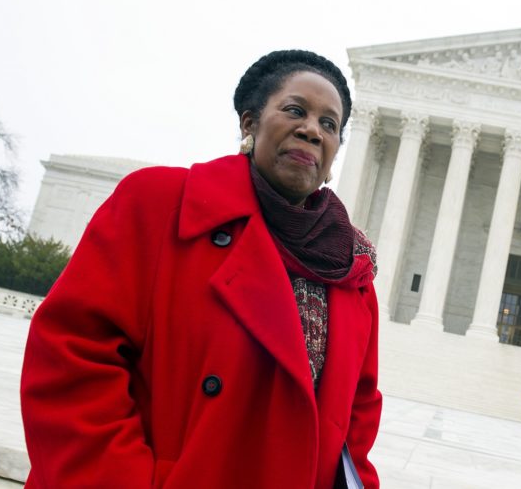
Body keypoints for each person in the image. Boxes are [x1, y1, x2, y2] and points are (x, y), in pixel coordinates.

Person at [20, 50, 382, 488]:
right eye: (295, 110)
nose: (311, 130)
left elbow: (356, 423)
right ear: (249, 124)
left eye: (329, 125)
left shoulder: (350, 273)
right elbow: (72, 357)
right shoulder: (159, 205)